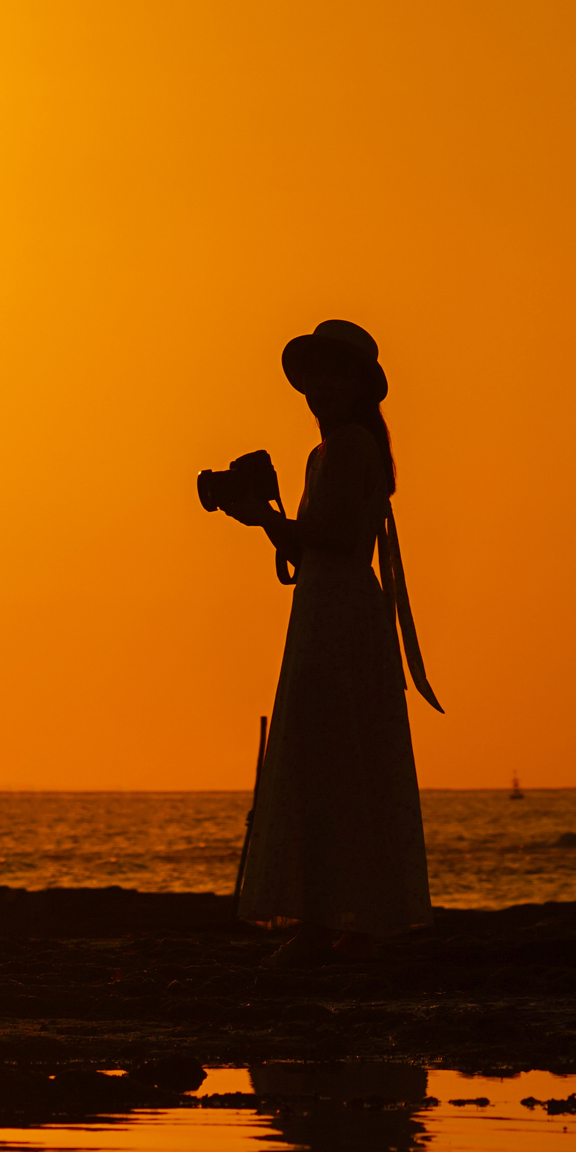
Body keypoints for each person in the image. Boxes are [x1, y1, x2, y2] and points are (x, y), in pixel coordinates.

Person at [213, 320, 438, 956]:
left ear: (359, 385)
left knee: (333, 755)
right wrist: (265, 520)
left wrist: (267, 517)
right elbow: (314, 547)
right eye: (317, 376)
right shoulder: (340, 448)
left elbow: (335, 541)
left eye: (336, 375)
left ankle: (341, 920)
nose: (322, 387)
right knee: (333, 755)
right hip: (328, 608)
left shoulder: (347, 449)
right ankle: (334, 915)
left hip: (337, 615)